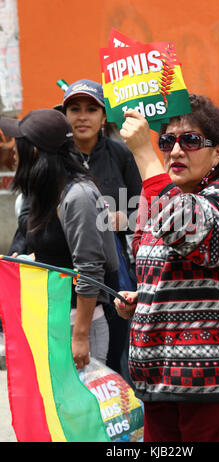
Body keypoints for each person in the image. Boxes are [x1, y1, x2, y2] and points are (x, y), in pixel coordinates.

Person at [114, 94, 219, 442]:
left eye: (191, 140)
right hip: (158, 384)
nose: (176, 150)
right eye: (166, 141)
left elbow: (187, 227)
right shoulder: (155, 201)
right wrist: (145, 299)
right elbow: (176, 270)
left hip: (212, 385)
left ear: (217, 153)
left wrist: (143, 152)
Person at [0, 109, 119, 370]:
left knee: (84, 410)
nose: (12, 152)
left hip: (78, 327)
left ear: (32, 151)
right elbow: (57, 254)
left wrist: (79, 336)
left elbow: (91, 269)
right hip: (53, 321)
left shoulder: (77, 195)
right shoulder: (46, 193)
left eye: (17, 144)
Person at [62, 79, 142, 378]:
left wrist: (123, 219)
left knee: (113, 356)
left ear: (104, 116)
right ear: (65, 114)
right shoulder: (56, 157)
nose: (82, 116)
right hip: (66, 274)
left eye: (91, 109)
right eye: (74, 109)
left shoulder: (121, 155)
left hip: (113, 272)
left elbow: (144, 210)